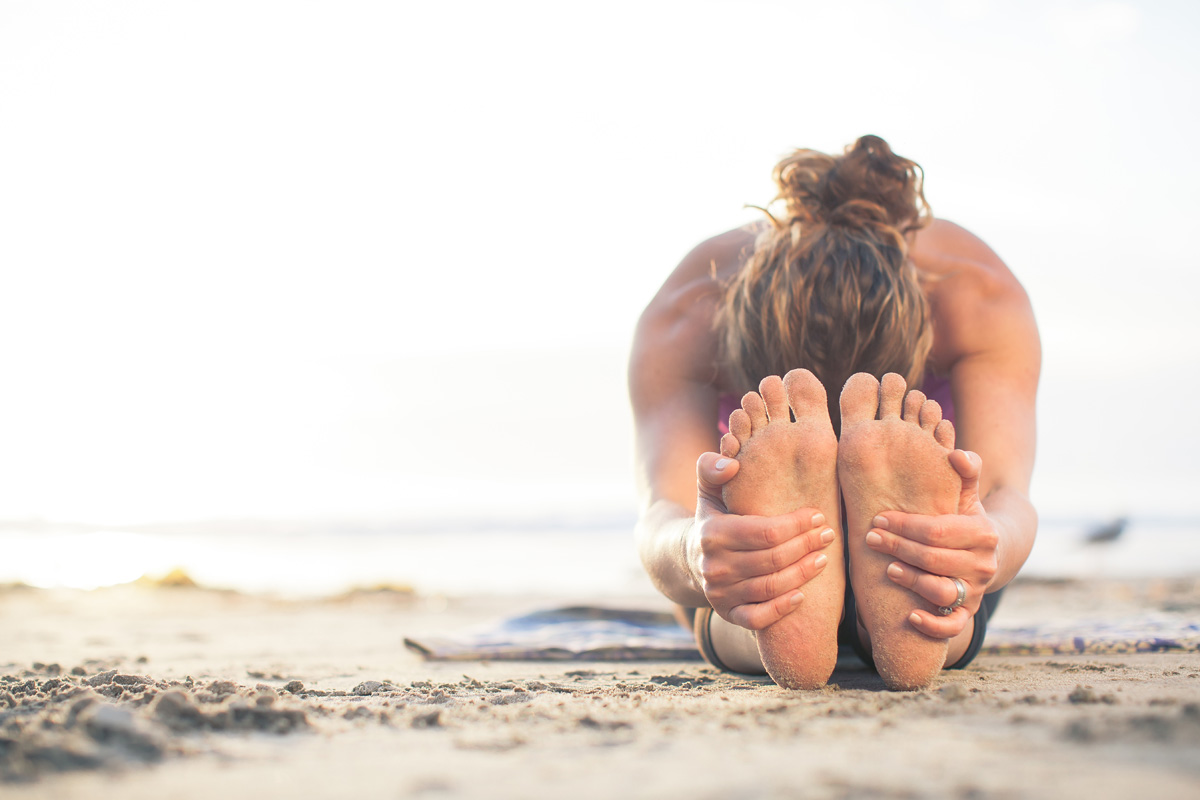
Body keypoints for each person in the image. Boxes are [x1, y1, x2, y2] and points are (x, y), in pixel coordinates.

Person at [628, 135, 1039, 690]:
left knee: (945, 571)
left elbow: (1004, 501)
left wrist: (978, 544)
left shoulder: (977, 295)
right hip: (768, 540)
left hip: (895, 539)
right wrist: (695, 551)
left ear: (923, 327)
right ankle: (926, 626)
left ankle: (776, 629)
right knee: (744, 578)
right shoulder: (687, 315)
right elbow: (666, 518)